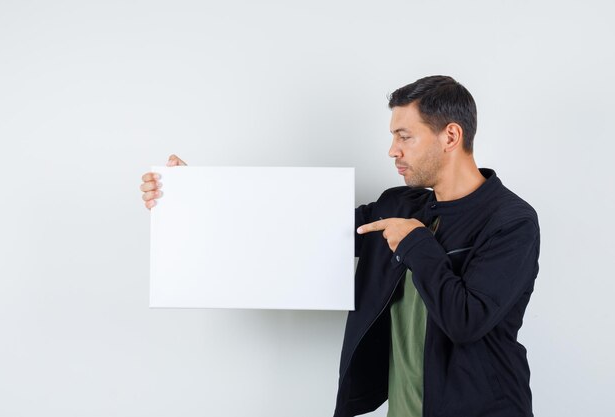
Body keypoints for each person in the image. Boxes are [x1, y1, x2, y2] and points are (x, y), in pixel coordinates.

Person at [139, 75, 540, 417]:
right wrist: (196, 195)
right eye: (392, 137)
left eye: (405, 136)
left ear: (451, 135)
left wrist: (416, 242)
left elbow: (466, 321)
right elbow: (304, 229)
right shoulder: (397, 205)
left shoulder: (511, 221)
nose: (392, 151)